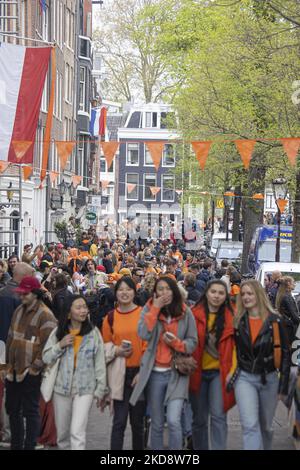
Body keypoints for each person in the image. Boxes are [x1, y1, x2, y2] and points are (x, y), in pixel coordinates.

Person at [130, 276, 197, 450]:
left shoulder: (185, 311)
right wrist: (155, 309)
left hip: (177, 372)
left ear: (174, 290)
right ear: (155, 292)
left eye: (168, 288)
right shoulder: (149, 308)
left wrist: (176, 343)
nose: (164, 292)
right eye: (160, 289)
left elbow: (193, 342)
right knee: (157, 422)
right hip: (155, 374)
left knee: (174, 420)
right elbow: (143, 334)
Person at [42, 295, 107, 450]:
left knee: (77, 432)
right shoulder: (58, 332)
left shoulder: (93, 333)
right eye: (78, 307)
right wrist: (60, 345)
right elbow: (46, 357)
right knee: (62, 436)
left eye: (84, 307)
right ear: (69, 312)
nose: (83, 310)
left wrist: (100, 389)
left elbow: (100, 362)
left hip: (85, 389)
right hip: (61, 389)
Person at [0, 276, 56, 450]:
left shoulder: (45, 315)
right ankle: (17, 444)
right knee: (12, 408)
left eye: (25, 293)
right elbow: (10, 338)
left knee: (31, 411)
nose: (21, 296)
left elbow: (48, 346)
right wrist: (6, 366)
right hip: (14, 370)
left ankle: (29, 445)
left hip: (31, 372)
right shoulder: (19, 311)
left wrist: (34, 368)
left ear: (35, 293)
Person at [234, 280, 290, 450]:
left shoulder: (275, 321)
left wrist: (283, 387)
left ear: (258, 294)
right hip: (244, 378)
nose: (246, 297)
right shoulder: (238, 321)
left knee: (265, 426)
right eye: (243, 294)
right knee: (250, 425)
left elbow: (286, 355)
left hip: (270, 379)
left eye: (249, 293)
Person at [189, 280, 236, 450]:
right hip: (197, 372)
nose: (216, 296)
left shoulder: (233, 316)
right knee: (199, 419)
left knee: (218, 416)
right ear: (207, 293)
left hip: (220, 372)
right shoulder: (193, 314)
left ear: (226, 296)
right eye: (213, 292)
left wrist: (233, 370)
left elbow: (237, 347)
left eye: (220, 293)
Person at [102, 277, 146, 450]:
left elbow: (148, 345)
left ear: (134, 292)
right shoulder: (110, 318)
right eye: (121, 289)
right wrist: (116, 351)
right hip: (119, 374)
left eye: (128, 289)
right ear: (116, 293)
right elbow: (105, 346)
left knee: (137, 423)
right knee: (118, 422)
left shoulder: (143, 314)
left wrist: (142, 371)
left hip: (139, 374)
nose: (125, 293)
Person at [276, 276, 300, 347]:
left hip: (286, 327)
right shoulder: (287, 297)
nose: (295, 284)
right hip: (290, 329)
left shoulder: (283, 295)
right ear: (288, 284)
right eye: (293, 282)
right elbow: (294, 316)